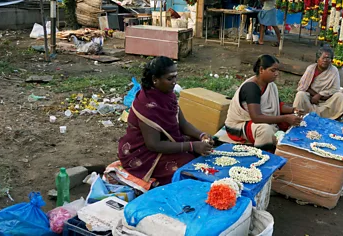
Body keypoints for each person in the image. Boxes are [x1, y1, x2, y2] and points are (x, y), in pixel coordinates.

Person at [118, 57, 213, 186]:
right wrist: (192, 146)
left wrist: (202, 135)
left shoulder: (168, 95)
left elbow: (182, 124)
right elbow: (153, 144)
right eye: (170, 79)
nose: (174, 82)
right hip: (145, 153)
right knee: (189, 167)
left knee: (202, 155)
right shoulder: (146, 105)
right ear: (155, 80)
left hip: (166, 141)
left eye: (175, 77)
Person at [224, 55, 302, 151]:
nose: (277, 74)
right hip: (238, 126)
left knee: (291, 123)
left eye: (278, 71)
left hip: (255, 121)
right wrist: (285, 117)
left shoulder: (270, 85)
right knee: (266, 130)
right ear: (261, 70)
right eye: (273, 70)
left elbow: (277, 105)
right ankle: (263, 155)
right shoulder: (251, 87)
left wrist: (293, 110)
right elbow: (256, 118)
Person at [293, 46, 343, 120]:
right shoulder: (311, 69)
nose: (325, 60)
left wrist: (320, 95)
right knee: (300, 94)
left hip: (326, 100)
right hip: (310, 99)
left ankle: (334, 119)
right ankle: (298, 117)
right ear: (318, 59)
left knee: (339, 96)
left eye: (328, 58)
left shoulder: (334, 70)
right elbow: (303, 86)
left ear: (331, 60)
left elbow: (335, 88)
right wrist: (315, 96)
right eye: (323, 58)